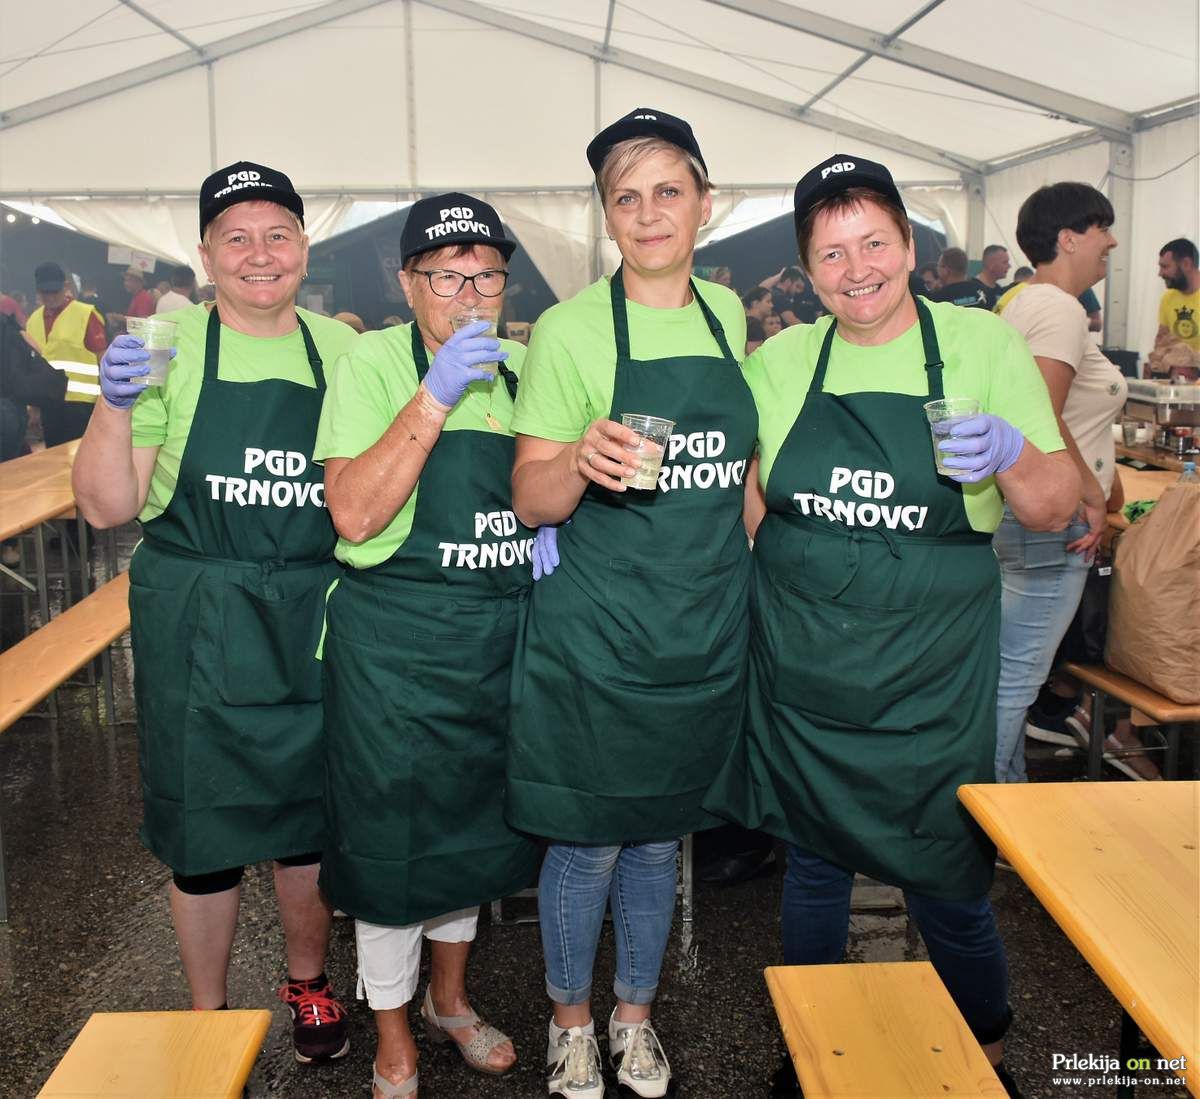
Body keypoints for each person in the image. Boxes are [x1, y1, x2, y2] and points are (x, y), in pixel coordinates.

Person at [703, 153, 1079, 1099]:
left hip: (929, 670)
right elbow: (749, 491)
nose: (857, 268)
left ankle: (987, 1050)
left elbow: (1053, 505)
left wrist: (1010, 450)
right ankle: (815, 1048)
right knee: (813, 866)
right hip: (808, 666)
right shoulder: (784, 360)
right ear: (807, 268)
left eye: (874, 242)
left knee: (945, 872)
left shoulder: (980, 345)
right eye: (832, 253)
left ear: (910, 246)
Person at [71, 161, 360, 1063]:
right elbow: (107, 506)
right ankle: (208, 1016)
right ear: (206, 254)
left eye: (277, 234)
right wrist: (114, 404)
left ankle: (308, 982)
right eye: (237, 237)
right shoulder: (169, 348)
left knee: (309, 822)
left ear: (304, 246)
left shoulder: (344, 350)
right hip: (200, 612)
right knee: (203, 831)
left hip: (311, 611)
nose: (259, 253)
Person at [507, 107, 754, 1099]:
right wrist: (576, 459)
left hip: (701, 626)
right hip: (601, 632)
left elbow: (741, 472)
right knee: (589, 838)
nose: (649, 213)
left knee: (660, 837)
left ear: (704, 202)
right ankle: (570, 1022)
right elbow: (531, 498)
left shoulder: (727, 315)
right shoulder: (570, 329)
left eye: (668, 191)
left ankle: (635, 1016)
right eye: (626, 197)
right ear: (607, 217)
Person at [315, 193, 540, 1099]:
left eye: (486, 276)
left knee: (470, 836)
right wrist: (435, 394)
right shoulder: (371, 362)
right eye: (445, 277)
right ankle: (393, 1031)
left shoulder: (522, 371)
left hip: (494, 642)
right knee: (390, 847)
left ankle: (451, 1000)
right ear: (408, 283)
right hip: (395, 652)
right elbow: (354, 512)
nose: (468, 295)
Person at [992, 183, 1154, 782]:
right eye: (1100, 228)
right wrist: (1090, 493)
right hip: (1052, 516)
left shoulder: (1023, 302)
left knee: (1010, 671)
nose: (1111, 241)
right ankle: (992, 804)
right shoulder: (1059, 309)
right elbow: (1041, 412)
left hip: (1024, 508)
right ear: (1067, 238)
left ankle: (1001, 794)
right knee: (1017, 677)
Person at [25, 260, 106, 445]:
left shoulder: (85, 314)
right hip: (49, 403)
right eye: (45, 292)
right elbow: (32, 366)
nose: (50, 297)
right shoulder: (33, 320)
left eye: (55, 291)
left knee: (81, 456)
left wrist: (107, 401)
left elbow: (103, 358)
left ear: (66, 286)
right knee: (55, 456)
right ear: (37, 291)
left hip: (82, 404)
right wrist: (35, 408)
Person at [1153, 237, 1199, 364]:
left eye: (1165, 267)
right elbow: (1161, 342)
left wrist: (1191, 356)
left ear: (1186, 264)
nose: (1160, 273)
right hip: (1177, 374)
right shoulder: (1167, 298)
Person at [930, 247, 996, 309]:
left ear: (946, 270)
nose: (937, 269)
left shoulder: (939, 298)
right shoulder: (984, 292)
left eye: (938, 266)